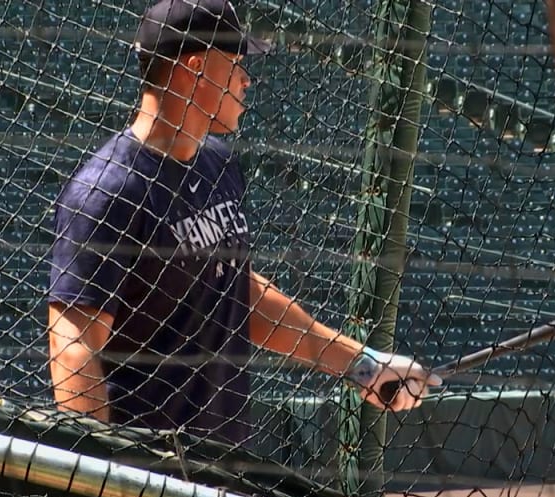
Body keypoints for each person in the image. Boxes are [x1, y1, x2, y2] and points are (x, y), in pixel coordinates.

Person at [47, 0, 441, 445]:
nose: (245, 79)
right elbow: (73, 348)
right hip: (148, 479)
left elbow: (236, 288)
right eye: (234, 64)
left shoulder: (216, 164)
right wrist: (111, 483)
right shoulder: (109, 191)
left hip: (222, 464)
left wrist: (361, 363)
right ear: (194, 67)